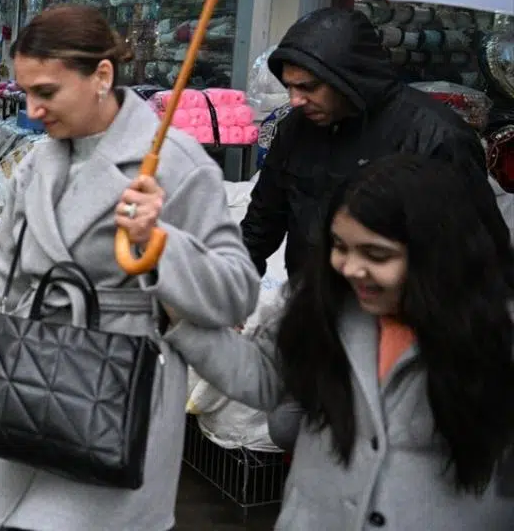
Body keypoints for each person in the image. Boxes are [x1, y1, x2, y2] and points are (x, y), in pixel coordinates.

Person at [0, 5, 259, 531]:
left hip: (113, 406)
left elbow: (237, 294)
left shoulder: (177, 166)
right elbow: (5, 280)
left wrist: (160, 243)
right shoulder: (39, 163)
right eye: (26, 92)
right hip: (27, 392)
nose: (31, 110)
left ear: (101, 76)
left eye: (46, 92)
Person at [166, 155, 514, 528]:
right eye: (339, 246)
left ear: (437, 255)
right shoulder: (320, 305)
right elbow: (266, 379)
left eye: (376, 255)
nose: (350, 268)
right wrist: (179, 315)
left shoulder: (497, 336)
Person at [240, 7, 493, 279]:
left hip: (401, 312)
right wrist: (230, 287)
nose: (295, 100)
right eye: (289, 87)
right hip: (311, 304)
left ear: (348, 78)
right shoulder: (297, 127)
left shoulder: (437, 137)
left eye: (308, 87)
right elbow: (262, 221)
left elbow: (472, 252)